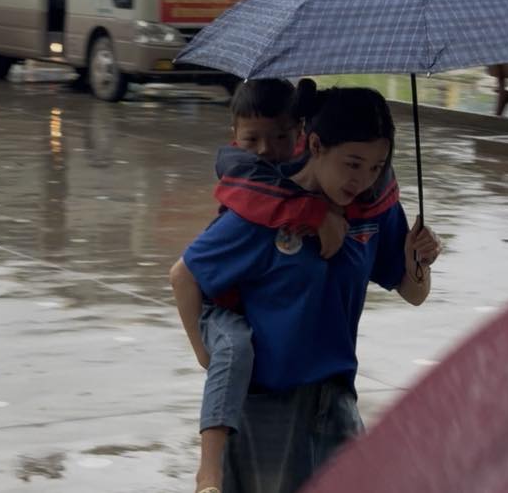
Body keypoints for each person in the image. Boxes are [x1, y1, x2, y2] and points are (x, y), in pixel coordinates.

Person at [171, 80, 439, 493]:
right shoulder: (265, 210)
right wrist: (210, 357)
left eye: (376, 166)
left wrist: (419, 260)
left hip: (337, 405)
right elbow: (185, 275)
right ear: (315, 145)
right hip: (267, 415)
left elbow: (413, 293)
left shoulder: (375, 210)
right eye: (352, 164)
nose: (362, 180)